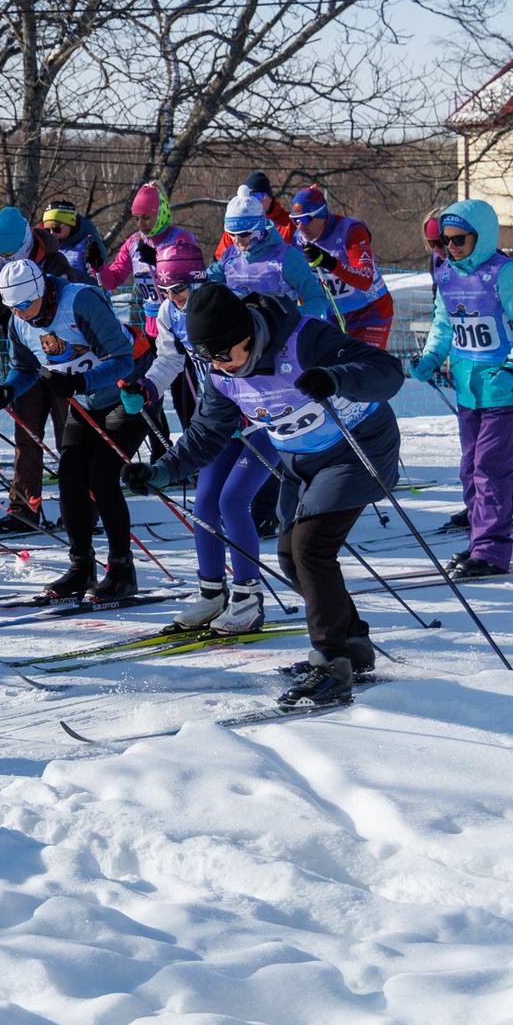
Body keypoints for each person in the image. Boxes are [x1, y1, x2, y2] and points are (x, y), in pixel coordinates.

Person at [133, 281, 407, 707]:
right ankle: (351, 646)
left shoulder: (304, 339)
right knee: (289, 556)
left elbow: (388, 373)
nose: (218, 366)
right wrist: (163, 471)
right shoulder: (220, 376)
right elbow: (207, 432)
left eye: (223, 355)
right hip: (299, 462)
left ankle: (330, 663)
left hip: (358, 448)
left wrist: (336, 377)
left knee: (311, 547)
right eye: (207, 358)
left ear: (247, 336)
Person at [132, 235, 270, 633]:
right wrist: (148, 388)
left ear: (196, 280)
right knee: (205, 503)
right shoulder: (169, 313)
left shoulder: (225, 306)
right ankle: (213, 595)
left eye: (179, 288)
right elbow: (167, 361)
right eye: (165, 290)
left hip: (262, 419)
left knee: (233, 501)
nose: (173, 296)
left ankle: (248, 598)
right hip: (219, 419)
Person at [0, 254, 143, 602]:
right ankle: (81, 566)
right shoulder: (19, 323)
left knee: (102, 475)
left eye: (26, 304)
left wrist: (80, 382)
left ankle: (121, 568)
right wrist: (8, 390)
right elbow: (24, 367)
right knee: (70, 476)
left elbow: (123, 359)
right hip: (85, 404)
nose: (21, 313)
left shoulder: (80, 301)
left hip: (126, 397)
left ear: (42, 289)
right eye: (13, 308)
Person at [410, 198, 513, 579]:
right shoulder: (447, 274)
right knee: (470, 468)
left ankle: (492, 550)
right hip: (468, 387)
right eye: (446, 241)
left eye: (460, 241)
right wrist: (431, 356)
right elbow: (443, 323)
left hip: (504, 387)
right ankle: (479, 541)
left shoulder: (503, 273)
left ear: (482, 237)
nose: (450, 249)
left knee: (490, 468)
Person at [0, 206, 63, 535]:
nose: (8, 261)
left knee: (69, 440)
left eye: (12, 254)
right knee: (26, 437)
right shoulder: (4, 265)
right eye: (2, 257)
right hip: (27, 363)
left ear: (27, 242)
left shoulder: (56, 263)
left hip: (62, 365)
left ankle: (81, 507)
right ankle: (23, 509)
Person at [290, 184, 395, 349]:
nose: (300, 226)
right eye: (295, 220)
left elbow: (365, 280)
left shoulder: (351, 231)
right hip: (335, 317)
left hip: (369, 313)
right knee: (330, 370)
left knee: (363, 369)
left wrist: (329, 262)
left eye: (305, 219)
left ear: (321, 215)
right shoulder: (298, 239)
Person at [216, 191, 333, 322]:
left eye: (243, 234)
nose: (237, 240)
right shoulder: (229, 256)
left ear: (258, 227)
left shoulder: (286, 257)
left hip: (281, 339)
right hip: (239, 337)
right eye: (232, 234)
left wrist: (287, 319)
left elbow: (317, 300)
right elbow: (202, 284)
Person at [98, 182, 194, 294]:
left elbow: (189, 279)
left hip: (178, 310)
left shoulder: (180, 239)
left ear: (160, 215)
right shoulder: (134, 243)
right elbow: (112, 282)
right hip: (149, 310)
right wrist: (98, 265)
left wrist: (158, 261)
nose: (140, 224)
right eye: (136, 219)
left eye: (146, 218)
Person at [39, 202, 105, 282]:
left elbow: (100, 284)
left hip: (83, 292)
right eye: (47, 229)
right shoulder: (48, 245)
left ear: (70, 224)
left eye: (56, 229)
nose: (52, 233)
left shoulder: (89, 243)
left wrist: (68, 273)